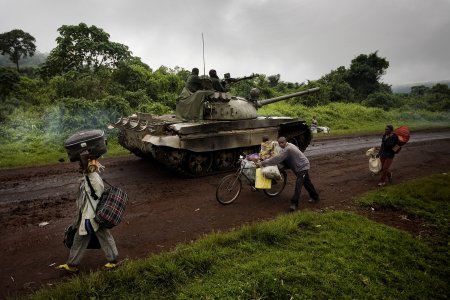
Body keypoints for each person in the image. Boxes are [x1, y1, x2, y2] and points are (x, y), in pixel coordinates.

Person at [57, 151, 118, 273]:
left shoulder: (92, 178)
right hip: (92, 215)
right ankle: (112, 260)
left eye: (81, 165)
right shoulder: (91, 176)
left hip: (91, 216)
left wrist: (84, 158)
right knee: (95, 237)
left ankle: (73, 264)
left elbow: (86, 168)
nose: (79, 167)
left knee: (84, 238)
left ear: (88, 166)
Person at [257, 136, 319, 211]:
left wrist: (262, 163)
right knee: (307, 183)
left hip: (302, 167)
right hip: (300, 166)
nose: (281, 144)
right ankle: (315, 197)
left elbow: (277, 159)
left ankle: (294, 204)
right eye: (279, 143)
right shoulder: (289, 145)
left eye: (282, 143)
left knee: (298, 185)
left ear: (286, 142)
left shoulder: (288, 149)